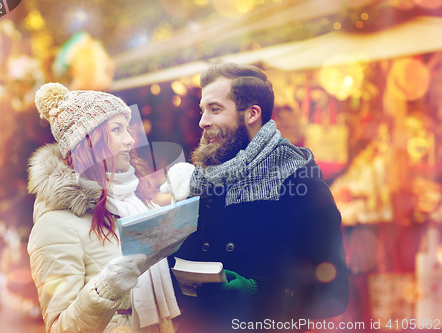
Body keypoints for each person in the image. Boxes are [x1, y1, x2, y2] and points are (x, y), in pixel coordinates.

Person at [161, 63, 349, 332]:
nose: (202, 121)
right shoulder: (201, 179)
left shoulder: (300, 181)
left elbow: (334, 293)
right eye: (203, 110)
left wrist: (254, 292)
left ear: (252, 114)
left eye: (215, 109)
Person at [27, 83, 180, 333]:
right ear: (88, 142)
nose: (130, 140)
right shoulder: (54, 225)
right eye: (116, 130)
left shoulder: (138, 201)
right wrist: (105, 287)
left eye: (128, 129)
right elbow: (59, 328)